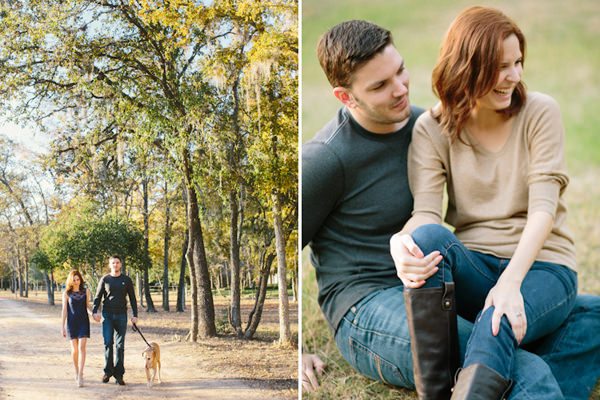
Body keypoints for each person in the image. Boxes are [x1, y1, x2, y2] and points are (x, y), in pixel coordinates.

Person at [302, 19, 600, 399]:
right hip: (368, 303)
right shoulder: (323, 158)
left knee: (590, 314)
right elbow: (276, 238)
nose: (400, 90)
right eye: (379, 86)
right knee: (521, 365)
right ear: (345, 97)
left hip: (437, 288)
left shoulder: (424, 124)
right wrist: (288, 351)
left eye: (401, 71)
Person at [390, 6, 580, 399]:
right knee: (426, 236)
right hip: (476, 264)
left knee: (498, 317)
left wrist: (510, 285)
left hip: (544, 266)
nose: (514, 76)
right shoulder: (431, 128)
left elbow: (544, 208)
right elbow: (426, 212)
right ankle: (438, 387)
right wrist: (400, 242)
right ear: (466, 67)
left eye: (518, 62)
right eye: (500, 66)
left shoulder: (540, 111)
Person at [92, 254, 138, 386]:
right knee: (108, 343)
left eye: (117, 263)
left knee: (120, 346)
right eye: (113, 263)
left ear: (121, 264)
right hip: (107, 316)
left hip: (121, 316)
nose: (115, 265)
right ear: (110, 264)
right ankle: (108, 372)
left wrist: (135, 315)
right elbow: (98, 296)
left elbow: (133, 298)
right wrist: (95, 311)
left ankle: (119, 375)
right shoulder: (105, 279)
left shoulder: (127, 280)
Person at [61, 270, 91, 387]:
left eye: (78, 280)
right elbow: (64, 310)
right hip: (72, 323)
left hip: (83, 322)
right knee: (75, 350)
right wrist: (62, 326)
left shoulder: (85, 291)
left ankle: (81, 374)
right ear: (71, 281)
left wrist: (93, 313)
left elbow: (87, 306)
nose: (76, 282)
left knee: (82, 347)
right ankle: (76, 370)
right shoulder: (67, 293)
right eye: (74, 280)